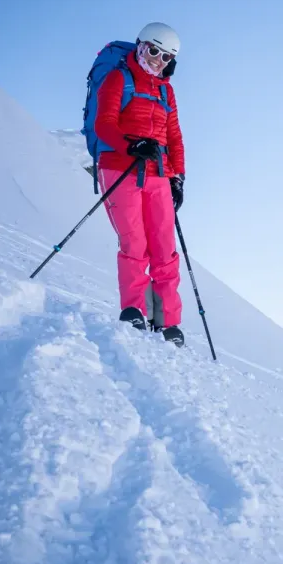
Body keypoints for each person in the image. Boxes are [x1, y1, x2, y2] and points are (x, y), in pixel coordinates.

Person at [94, 22, 187, 346]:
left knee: (164, 248)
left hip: (159, 174)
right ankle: (134, 310)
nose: (158, 61)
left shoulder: (166, 91)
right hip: (120, 169)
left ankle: (167, 323)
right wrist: (130, 146)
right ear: (140, 45)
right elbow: (104, 124)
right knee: (135, 244)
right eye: (153, 51)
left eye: (166, 58)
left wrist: (178, 177)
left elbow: (174, 136)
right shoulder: (118, 78)